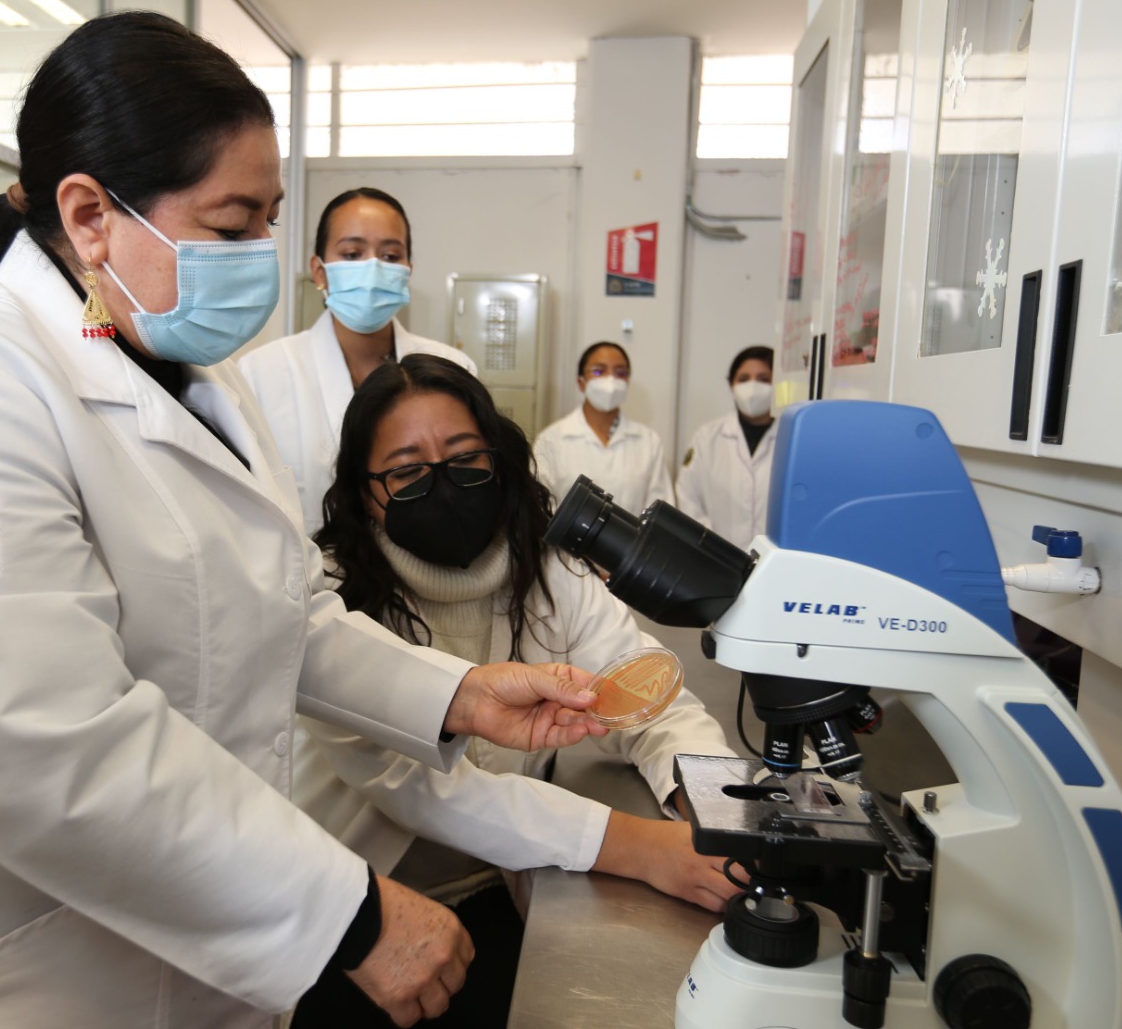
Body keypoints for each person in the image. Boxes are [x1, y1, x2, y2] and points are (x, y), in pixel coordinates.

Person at [0, 13, 610, 1029]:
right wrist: (350, 918)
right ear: (89, 214)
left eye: (269, 218)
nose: (263, 253)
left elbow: (287, 612)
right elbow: (32, 740)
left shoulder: (186, 377)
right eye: (232, 226)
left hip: (181, 961)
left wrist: (459, 695)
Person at [293, 354, 740, 1025]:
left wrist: (709, 805)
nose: (441, 483)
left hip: (497, 884)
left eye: (465, 456)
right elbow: (421, 787)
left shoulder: (550, 568)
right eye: (408, 470)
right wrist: (641, 848)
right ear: (365, 493)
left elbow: (645, 693)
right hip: (363, 912)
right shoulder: (332, 602)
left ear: (498, 459)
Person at [240, 187, 477, 535]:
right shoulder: (259, 373)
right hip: (308, 581)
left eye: (391, 256)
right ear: (319, 272)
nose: (373, 269)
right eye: (352, 254)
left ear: (408, 269)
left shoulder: (452, 367)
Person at [532, 341, 674, 515]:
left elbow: (661, 511)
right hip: (563, 543)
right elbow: (537, 507)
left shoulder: (648, 442)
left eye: (620, 373)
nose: (610, 380)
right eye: (599, 371)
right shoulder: (552, 439)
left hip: (630, 542)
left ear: (628, 381)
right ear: (581, 381)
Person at [676, 345, 776, 549]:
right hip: (716, 560)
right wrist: (711, 546)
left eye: (764, 379)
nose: (753, 387)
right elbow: (687, 498)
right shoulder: (706, 438)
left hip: (777, 564)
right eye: (744, 379)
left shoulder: (792, 438)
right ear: (731, 384)